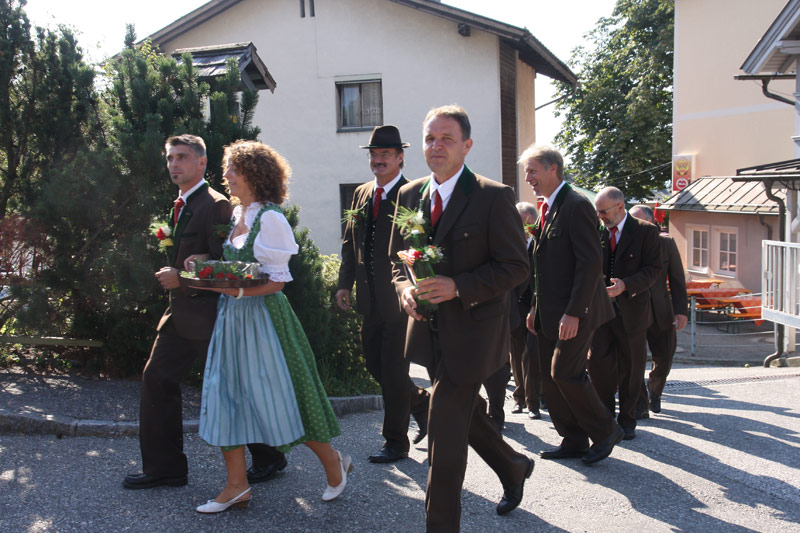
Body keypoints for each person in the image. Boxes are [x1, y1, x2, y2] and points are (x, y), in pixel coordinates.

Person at [390, 105, 533, 532]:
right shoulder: (409, 195)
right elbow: (398, 263)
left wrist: (459, 286)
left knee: (445, 438)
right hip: (428, 332)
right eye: (430, 138)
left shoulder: (493, 196)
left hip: (474, 334)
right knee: (462, 414)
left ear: (467, 146)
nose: (436, 146)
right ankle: (512, 464)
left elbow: (516, 267)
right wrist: (404, 292)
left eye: (446, 139)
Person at [190, 140, 348, 513]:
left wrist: (236, 291)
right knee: (223, 397)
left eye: (232, 168)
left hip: (263, 322)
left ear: (253, 174)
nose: (226, 175)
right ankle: (235, 486)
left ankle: (333, 463)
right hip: (232, 321)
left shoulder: (270, 218)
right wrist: (210, 270)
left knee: (282, 399)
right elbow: (238, 267)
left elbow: (277, 281)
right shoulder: (237, 214)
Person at [123, 135, 286, 490]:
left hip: (212, 315)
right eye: (169, 158)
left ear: (202, 163)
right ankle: (165, 469)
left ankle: (270, 455)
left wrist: (181, 276)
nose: (174, 164)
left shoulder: (216, 205)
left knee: (236, 390)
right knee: (157, 379)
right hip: (180, 315)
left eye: (182, 157)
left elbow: (231, 262)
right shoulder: (181, 202)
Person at [522, 145, 623, 466]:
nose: (528, 178)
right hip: (549, 312)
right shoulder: (548, 208)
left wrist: (574, 313)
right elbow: (544, 266)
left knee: (565, 371)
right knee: (550, 378)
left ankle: (606, 430)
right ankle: (574, 438)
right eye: (527, 172)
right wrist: (535, 309)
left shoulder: (576, 205)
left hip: (577, 311)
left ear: (553, 169)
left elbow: (590, 264)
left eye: (533, 170)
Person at [336, 125, 430, 463]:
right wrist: (344, 283)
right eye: (374, 155)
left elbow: (419, 247)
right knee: (375, 366)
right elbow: (350, 243)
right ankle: (420, 401)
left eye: (385, 155)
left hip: (400, 302)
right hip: (369, 300)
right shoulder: (361, 193)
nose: (378, 160)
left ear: (400, 158)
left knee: (392, 373)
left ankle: (395, 442)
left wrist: (419, 290)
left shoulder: (413, 193)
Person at [589, 187, 662, 441]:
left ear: (620, 207)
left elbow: (653, 269)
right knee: (598, 364)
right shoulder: (597, 230)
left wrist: (626, 285)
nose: (601, 217)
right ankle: (606, 417)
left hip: (632, 311)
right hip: (601, 312)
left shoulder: (645, 231)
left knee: (631, 368)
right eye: (598, 212)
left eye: (604, 211)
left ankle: (627, 419)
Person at [629, 205, 688, 416]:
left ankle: (655, 390)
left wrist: (681, 311)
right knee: (634, 361)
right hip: (634, 311)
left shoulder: (666, 243)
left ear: (652, 222)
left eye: (639, 221)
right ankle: (640, 404)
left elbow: (678, 280)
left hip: (662, 311)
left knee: (665, 356)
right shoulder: (625, 243)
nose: (634, 226)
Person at [509, 201, 542, 420]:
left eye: (523, 224)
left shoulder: (540, 242)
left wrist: (536, 306)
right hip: (514, 308)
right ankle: (519, 397)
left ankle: (533, 402)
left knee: (532, 355)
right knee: (516, 354)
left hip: (536, 307)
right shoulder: (511, 244)